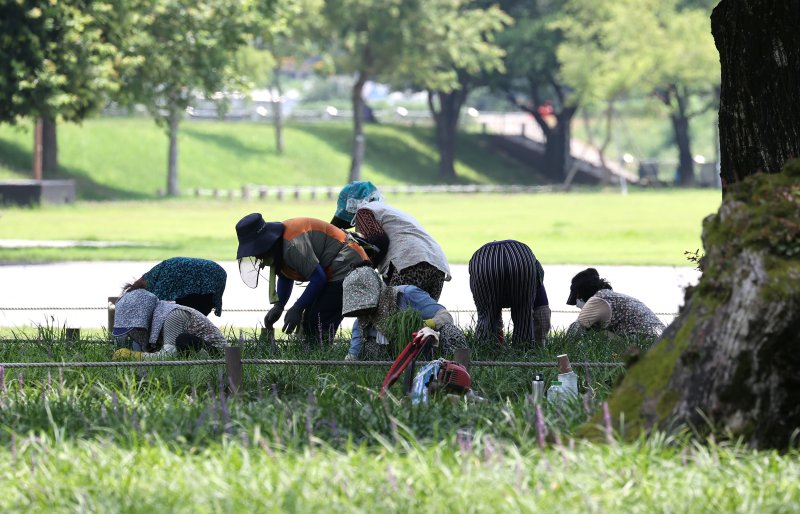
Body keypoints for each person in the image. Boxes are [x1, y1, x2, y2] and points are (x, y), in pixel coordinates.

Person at [235, 213, 369, 340]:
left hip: (347, 264)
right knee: (309, 320)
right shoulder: (278, 246)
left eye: (255, 250)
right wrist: (279, 306)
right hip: (331, 268)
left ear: (264, 244)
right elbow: (286, 276)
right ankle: (313, 357)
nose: (257, 256)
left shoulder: (292, 244)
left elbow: (318, 278)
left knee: (318, 320)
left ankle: (320, 361)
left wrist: (297, 308)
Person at [330, 181, 451, 300]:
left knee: (393, 315)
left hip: (409, 262)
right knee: (423, 316)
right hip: (438, 264)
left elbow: (379, 241)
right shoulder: (389, 210)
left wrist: (365, 269)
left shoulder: (364, 211)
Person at [342, 265, 467, 360]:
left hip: (427, 349)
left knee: (450, 331)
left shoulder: (407, 294)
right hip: (394, 359)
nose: (364, 312)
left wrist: (426, 325)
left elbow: (445, 316)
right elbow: (353, 356)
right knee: (369, 347)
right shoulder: (362, 322)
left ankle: (456, 368)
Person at [468, 240, 551, 347]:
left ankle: (487, 351)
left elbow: (485, 309)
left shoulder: (480, 258)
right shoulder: (535, 266)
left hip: (483, 261)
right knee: (523, 315)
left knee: (488, 316)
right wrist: (539, 344)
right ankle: (524, 352)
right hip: (521, 258)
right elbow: (542, 311)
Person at [111, 289, 228, 360]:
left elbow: (169, 356)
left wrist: (134, 356)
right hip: (193, 352)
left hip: (219, 356)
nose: (135, 332)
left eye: (136, 326)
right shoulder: (157, 318)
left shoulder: (173, 315)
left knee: (183, 340)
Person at [566, 268, 665, 338]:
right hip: (661, 337)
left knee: (595, 333)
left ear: (582, 293)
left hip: (646, 340)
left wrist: (561, 347)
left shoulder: (597, 299)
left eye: (578, 297)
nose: (577, 304)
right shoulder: (607, 296)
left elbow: (575, 330)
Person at [121, 257, 227, 317]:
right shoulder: (159, 271)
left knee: (187, 317)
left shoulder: (159, 277)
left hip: (207, 279)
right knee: (191, 316)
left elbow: (158, 306)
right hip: (215, 275)